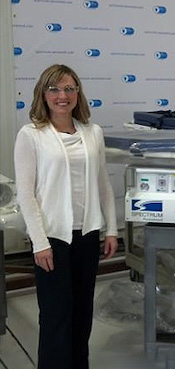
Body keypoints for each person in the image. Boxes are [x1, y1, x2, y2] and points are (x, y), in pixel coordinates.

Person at [14, 64, 118, 369]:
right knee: (56, 316)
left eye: (70, 89)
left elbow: (103, 185)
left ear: (78, 94)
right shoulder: (31, 135)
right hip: (53, 239)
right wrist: (39, 243)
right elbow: (25, 193)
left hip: (86, 235)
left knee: (82, 313)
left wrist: (111, 229)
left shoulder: (92, 132)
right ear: (43, 94)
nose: (63, 95)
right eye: (55, 89)